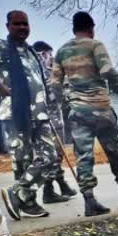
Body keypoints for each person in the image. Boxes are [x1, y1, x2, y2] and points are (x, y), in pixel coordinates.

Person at [50, 11, 118, 216]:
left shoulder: (62, 51)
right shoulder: (95, 45)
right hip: (100, 108)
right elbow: (108, 71)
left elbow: (55, 83)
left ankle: (89, 200)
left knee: (83, 155)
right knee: (114, 149)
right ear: (91, 27)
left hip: (78, 111)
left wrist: (67, 102)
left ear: (74, 29)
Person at [0, 10, 60, 219]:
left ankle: (17, 192)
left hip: (40, 115)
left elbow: (44, 82)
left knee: (50, 157)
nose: (22, 27)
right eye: (17, 24)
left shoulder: (33, 53)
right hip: (14, 112)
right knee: (22, 161)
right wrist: (0, 86)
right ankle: (28, 204)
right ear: (8, 26)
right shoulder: (2, 47)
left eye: (25, 24)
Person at [33, 40, 77, 204]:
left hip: (56, 117)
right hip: (47, 118)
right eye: (48, 53)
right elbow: (52, 92)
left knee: (58, 154)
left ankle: (61, 184)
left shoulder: (49, 69)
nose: (51, 57)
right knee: (52, 154)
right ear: (42, 53)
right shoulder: (40, 69)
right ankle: (48, 190)